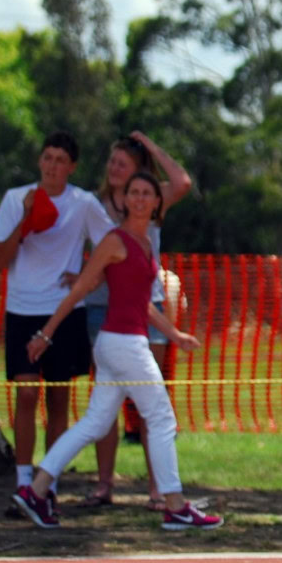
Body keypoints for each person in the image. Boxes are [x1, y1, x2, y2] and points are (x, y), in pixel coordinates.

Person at [10, 170, 219, 531]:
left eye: (146, 193)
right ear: (124, 201)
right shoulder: (114, 240)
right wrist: (45, 334)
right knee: (161, 418)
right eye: (133, 192)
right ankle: (175, 504)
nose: (138, 198)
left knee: (95, 422)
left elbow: (144, 304)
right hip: (123, 345)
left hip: (121, 343)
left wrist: (175, 334)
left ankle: (37, 488)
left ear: (156, 203)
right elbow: (80, 290)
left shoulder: (145, 243)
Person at [0, 131, 113, 503]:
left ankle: (50, 480)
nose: (52, 166)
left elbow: (113, 246)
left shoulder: (83, 203)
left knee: (58, 399)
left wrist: (89, 277)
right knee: (26, 394)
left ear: (72, 167)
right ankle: (23, 478)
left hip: (65, 310)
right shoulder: (16, 198)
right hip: (23, 308)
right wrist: (27, 217)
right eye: (47, 158)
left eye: (60, 160)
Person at [80, 131, 193, 508]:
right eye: (112, 162)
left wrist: (151, 144)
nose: (114, 169)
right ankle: (104, 483)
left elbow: (182, 183)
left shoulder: (149, 201)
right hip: (103, 310)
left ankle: (158, 488)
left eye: (123, 164)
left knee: (151, 401)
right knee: (105, 403)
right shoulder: (94, 204)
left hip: (149, 307)